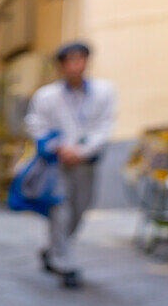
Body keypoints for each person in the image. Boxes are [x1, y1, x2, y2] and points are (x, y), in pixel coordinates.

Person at [24, 42, 116, 289]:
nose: (77, 65)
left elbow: (105, 127)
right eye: (71, 60)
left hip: (87, 163)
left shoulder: (105, 92)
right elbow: (36, 124)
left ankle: (52, 249)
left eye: (81, 59)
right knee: (61, 210)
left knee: (79, 210)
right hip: (59, 164)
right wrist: (59, 147)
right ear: (62, 65)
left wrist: (83, 151)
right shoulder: (46, 96)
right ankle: (66, 264)